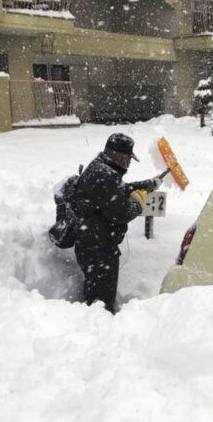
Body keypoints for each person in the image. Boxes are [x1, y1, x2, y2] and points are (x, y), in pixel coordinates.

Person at [72, 133, 162, 313]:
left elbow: (117, 191)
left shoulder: (102, 169)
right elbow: (122, 213)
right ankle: (99, 331)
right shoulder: (105, 175)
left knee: (97, 298)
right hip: (98, 249)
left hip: (93, 244)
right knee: (99, 304)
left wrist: (147, 184)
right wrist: (138, 202)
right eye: (128, 158)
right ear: (118, 155)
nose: (129, 163)